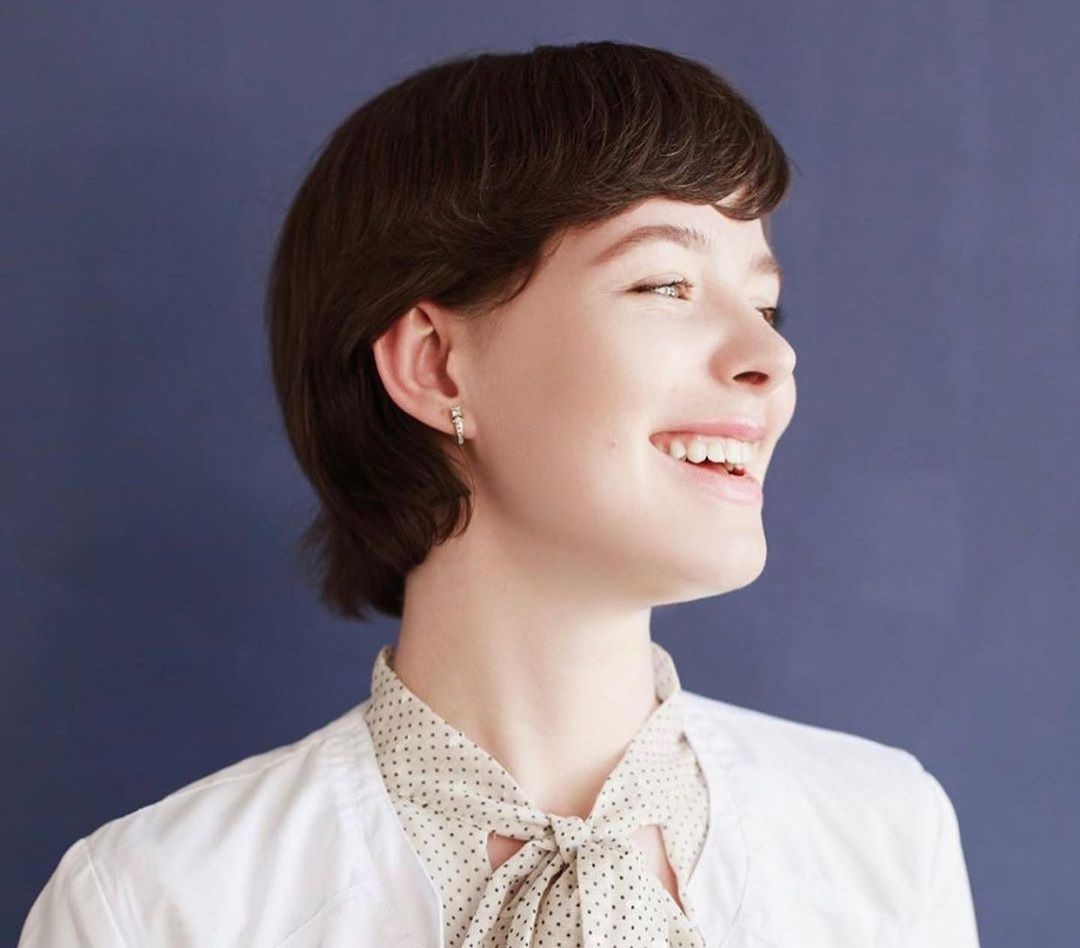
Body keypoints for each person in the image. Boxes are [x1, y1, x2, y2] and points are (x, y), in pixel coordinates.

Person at [19, 40, 981, 947]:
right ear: (437, 365)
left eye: (766, 305)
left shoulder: (885, 837)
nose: (770, 355)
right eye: (665, 285)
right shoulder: (159, 906)